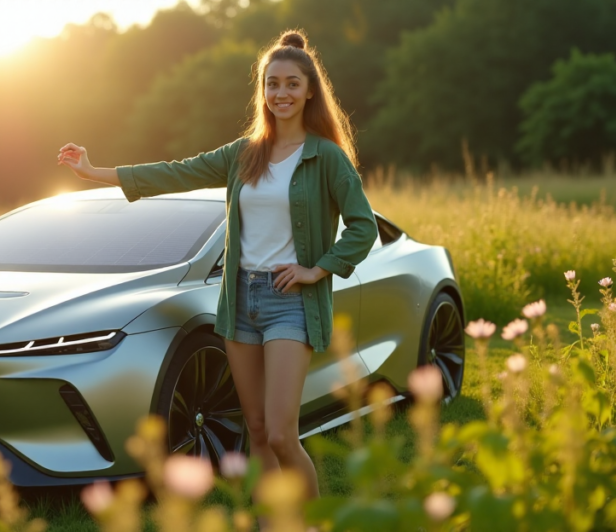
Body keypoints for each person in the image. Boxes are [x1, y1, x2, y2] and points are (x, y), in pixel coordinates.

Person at [56, 29, 377, 501]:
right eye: (272, 84)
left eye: (291, 83)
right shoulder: (243, 154)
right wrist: (94, 170)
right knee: (260, 432)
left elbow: (362, 226)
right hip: (240, 301)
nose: (280, 93)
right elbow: (174, 172)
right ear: (262, 91)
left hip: (291, 302)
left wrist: (318, 268)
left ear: (310, 90)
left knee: (285, 435)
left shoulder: (325, 156)